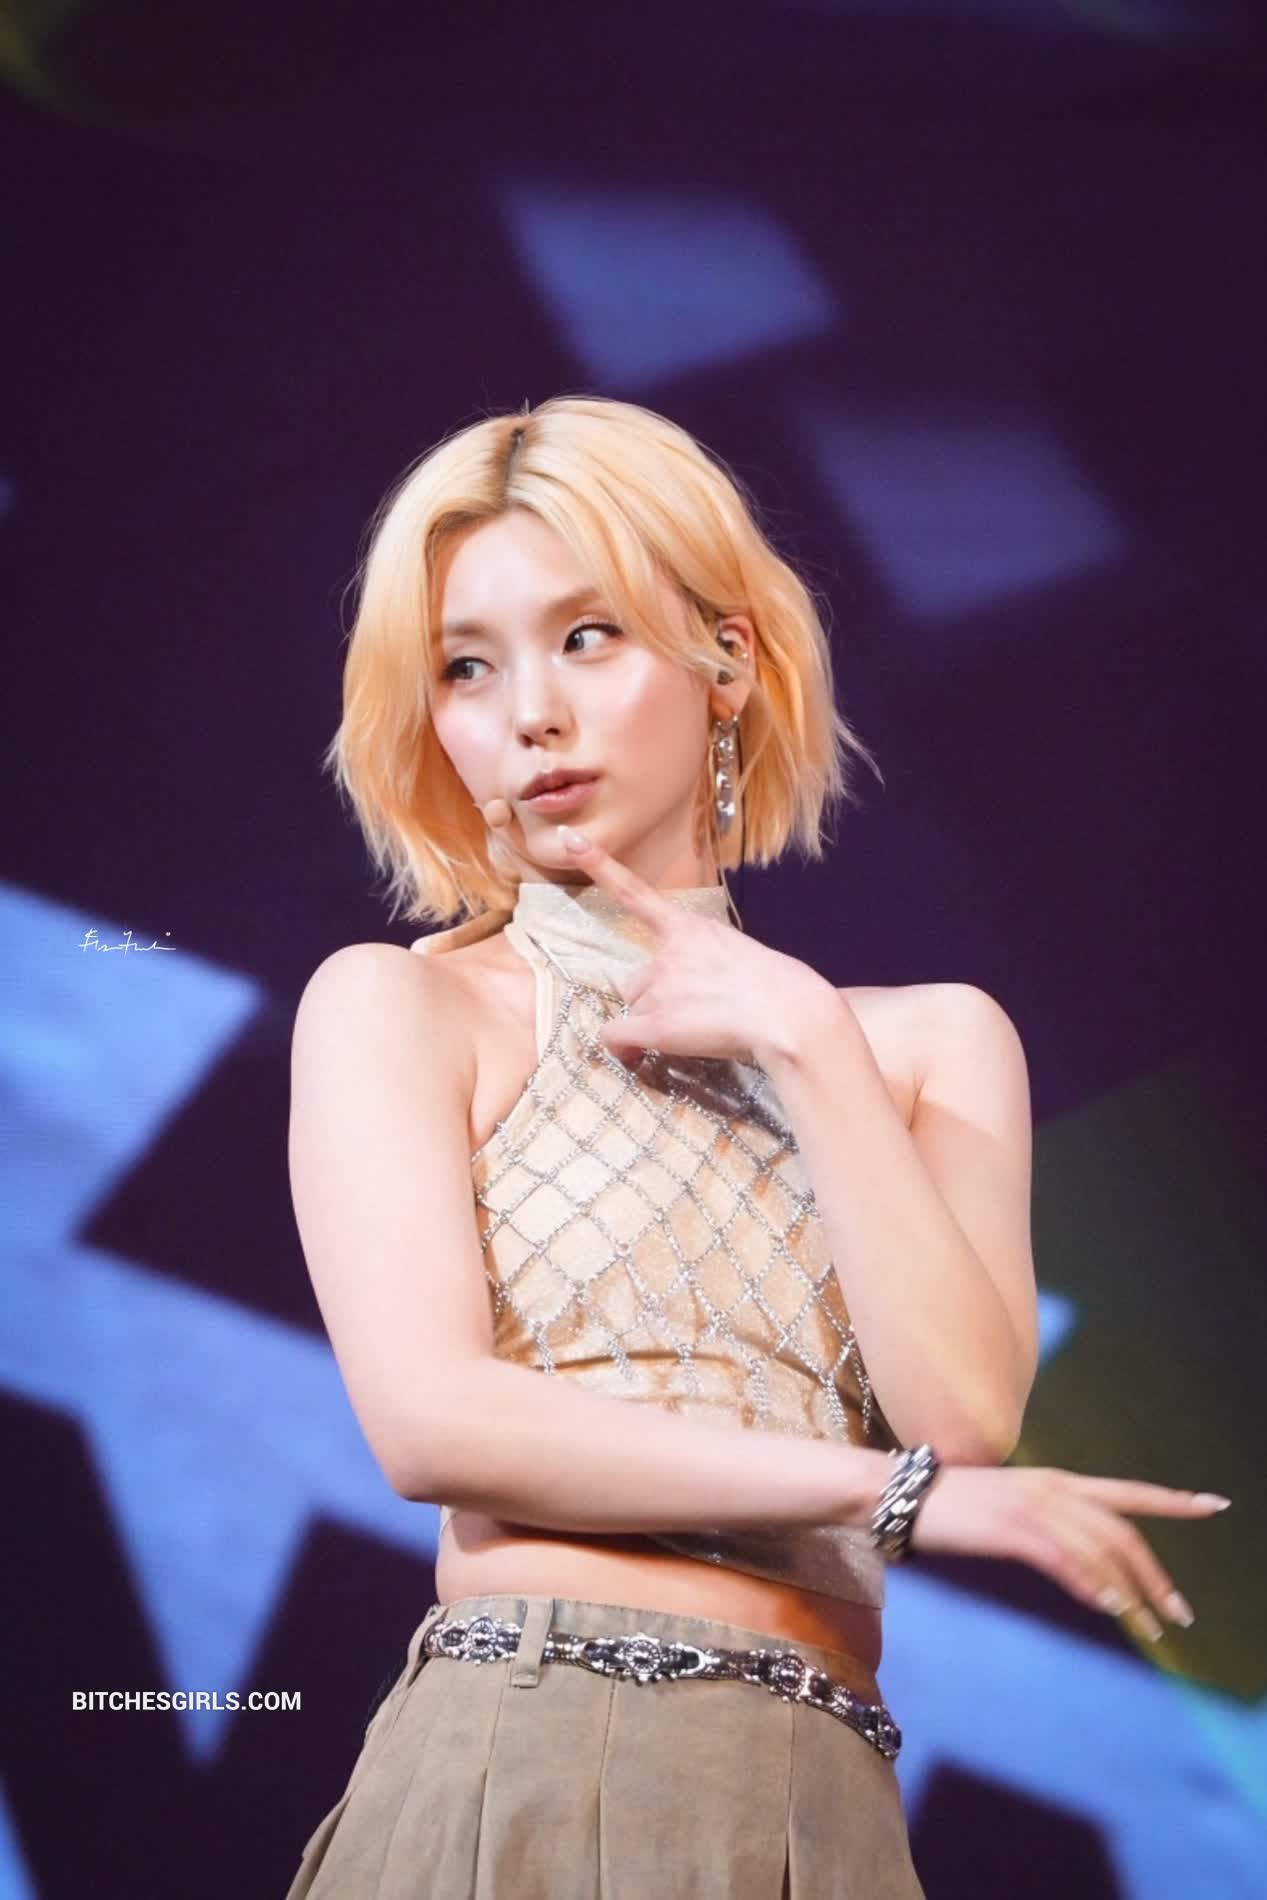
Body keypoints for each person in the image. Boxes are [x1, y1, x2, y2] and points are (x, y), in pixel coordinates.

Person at [283, 395, 1228, 1899]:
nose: (531, 713)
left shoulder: (926, 1043)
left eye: (587, 636)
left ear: (726, 657)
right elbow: (431, 1424)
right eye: (468, 666)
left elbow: (962, 1417)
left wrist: (805, 1039)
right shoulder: (400, 1007)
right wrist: (882, 1498)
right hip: (521, 1756)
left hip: (821, 1798)